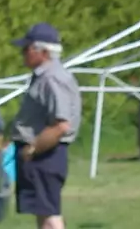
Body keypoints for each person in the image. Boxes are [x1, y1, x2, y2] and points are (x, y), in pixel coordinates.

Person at [10, 23, 82, 229]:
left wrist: (33, 148)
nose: (23, 54)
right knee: (43, 212)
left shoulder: (52, 79)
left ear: (42, 51)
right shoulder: (45, 76)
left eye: (26, 49)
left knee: (50, 215)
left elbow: (61, 125)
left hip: (45, 155)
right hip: (41, 153)